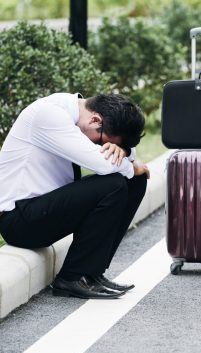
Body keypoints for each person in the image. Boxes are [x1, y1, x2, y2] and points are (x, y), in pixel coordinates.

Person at [0, 92, 150, 299]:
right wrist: (133, 166)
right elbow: (102, 164)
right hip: (18, 220)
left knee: (134, 182)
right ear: (95, 120)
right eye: (101, 142)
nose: (100, 147)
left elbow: (117, 159)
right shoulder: (49, 114)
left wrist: (124, 153)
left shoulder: (81, 115)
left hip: (44, 211)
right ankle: (71, 278)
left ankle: (90, 274)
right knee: (115, 183)